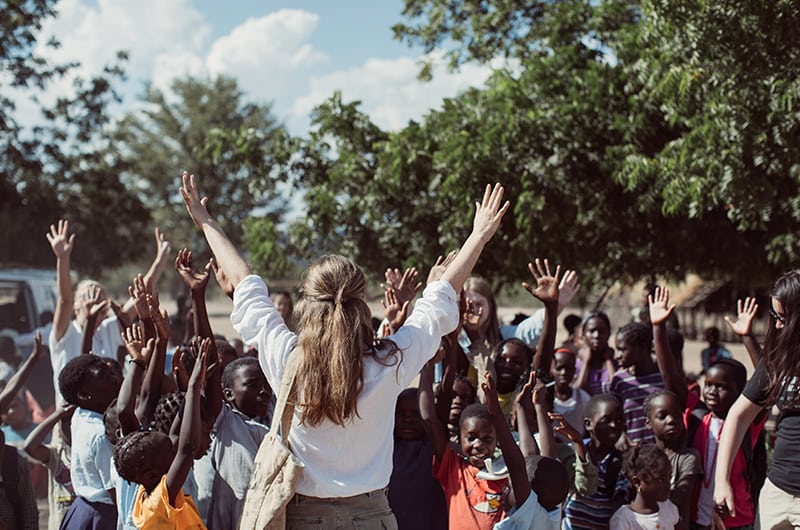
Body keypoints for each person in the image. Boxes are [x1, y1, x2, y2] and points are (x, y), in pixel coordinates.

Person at [180, 173, 510, 526]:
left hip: (302, 517)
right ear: (362, 306)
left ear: (306, 304)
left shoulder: (286, 357)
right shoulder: (390, 363)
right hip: (371, 517)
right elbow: (437, 301)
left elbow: (246, 284)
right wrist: (478, 236)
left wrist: (206, 221)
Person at [47, 220, 171, 403]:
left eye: (100, 296)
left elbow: (139, 296)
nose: (95, 299)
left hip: (107, 413)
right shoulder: (65, 332)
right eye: (88, 294)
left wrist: (160, 261)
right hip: (70, 421)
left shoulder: (108, 328)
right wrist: (62, 258)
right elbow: (64, 300)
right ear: (76, 305)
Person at [714, 271, 800, 529]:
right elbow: (738, 415)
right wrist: (722, 481)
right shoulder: (780, 358)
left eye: (784, 318)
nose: (777, 326)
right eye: (775, 317)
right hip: (777, 494)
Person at [114, 339, 209, 530]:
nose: (175, 448)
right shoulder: (157, 505)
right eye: (171, 454)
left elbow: (176, 433)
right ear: (152, 474)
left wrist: (185, 387)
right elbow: (187, 448)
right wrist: (193, 387)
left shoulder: (147, 487)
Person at [57, 354, 123, 530]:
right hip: (105, 517)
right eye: (105, 376)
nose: (114, 377)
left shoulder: (80, 413)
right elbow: (116, 492)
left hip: (84, 510)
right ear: (85, 395)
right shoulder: (102, 434)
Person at [562, 393, 629, 530]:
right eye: (606, 420)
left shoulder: (619, 462)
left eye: (619, 420)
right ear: (588, 424)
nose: (614, 425)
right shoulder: (574, 452)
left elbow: (619, 504)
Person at [388, 387, 447, 530]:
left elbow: (444, 402)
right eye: (401, 413)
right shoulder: (385, 449)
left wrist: (428, 367)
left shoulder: (434, 450)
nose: (408, 419)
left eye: (416, 413)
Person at [643, 390, 701, 530]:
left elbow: (679, 496)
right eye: (662, 416)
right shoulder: (643, 457)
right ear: (648, 423)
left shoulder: (688, 457)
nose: (671, 420)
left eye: (677, 415)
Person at [606, 322, 664, 444]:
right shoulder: (620, 380)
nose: (618, 356)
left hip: (662, 452)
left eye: (622, 350)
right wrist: (620, 435)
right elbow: (612, 416)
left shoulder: (663, 377)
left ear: (641, 347)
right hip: (631, 452)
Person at [24, 403, 77, 530]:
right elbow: (29, 447)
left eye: (74, 423)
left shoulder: (91, 451)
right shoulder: (56, 455)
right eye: (65, 423)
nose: (70, 428)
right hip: (58, 525)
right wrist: (57, 415)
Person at [610, 443, 680, 530]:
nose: (668, 485)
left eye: (669, 478)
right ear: (637, 482)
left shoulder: (668, 508)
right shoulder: (624, 519)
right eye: (661, 480)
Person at [551, 347, 590, 443]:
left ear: (574, 370)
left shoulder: (582, 397)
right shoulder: (545, 398)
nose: (563, 373)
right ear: (552, 370)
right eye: (559, 368)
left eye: (568, 369)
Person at [574, 311, 617, 396]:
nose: (597, 335)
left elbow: (616, 389)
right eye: (592, 331)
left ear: (609, 333)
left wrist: (608, 361)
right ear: (583, 334)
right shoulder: (577, 366)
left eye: (602, 331)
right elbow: (577, 393)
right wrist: (586, 363)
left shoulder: (617, 364)